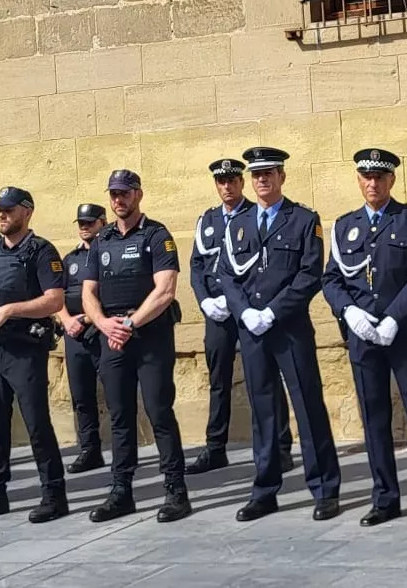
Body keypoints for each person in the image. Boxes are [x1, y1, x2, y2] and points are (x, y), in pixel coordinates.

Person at [322, 149, 407, 528]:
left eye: (379, 177)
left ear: (391, 180)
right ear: (359, 180)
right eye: (366, 177)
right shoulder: (344, 226)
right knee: (374, 416)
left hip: (402, 331)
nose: (373, 183)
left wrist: (394, 318)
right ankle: (385, 498)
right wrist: (349, 313)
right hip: (362, 334)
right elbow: (331, 279)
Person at [217, 147, 341, 522]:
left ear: (282, 177)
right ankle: (265, 490)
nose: (262, 180)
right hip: (252, 331)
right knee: (263, 411)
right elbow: (226, 274)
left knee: (308, 406)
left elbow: (310, 274)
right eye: (256, 175)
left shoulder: (303, 219)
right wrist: (245, 313)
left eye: (268, 173)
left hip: (289, 328)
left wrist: (272, 311)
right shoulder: (237, 223)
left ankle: (324, 489)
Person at [0, 187, 69, 524]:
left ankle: (54, 495)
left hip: (24, 350)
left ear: (27, 212)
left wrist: (11, 310)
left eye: (8, 209)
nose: (2, 215)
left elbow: (54, 300)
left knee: (36, 424)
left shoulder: (41, 251)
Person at [81, 170, 191, 523]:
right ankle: (121, 492)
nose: (118, 200)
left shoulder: (156, 235)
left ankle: (176, 491)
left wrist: (130, 324)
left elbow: (165, 290)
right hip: (112, 337)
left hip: (149, 337)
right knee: (120, 417)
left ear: (138, 195)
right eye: (113, 194)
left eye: (124, 193)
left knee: (159, 412)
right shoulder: (102, 239)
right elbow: (88, 292)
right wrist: (103, 323)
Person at [187, 158, 293, 475]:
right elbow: (196, 266)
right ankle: (215, 447)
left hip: (248, 309)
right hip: (218, 312)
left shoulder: (255, 215)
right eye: (221, 182)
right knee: (218, 380)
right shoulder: (207, 220)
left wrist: (240, 302)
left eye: (232, 180)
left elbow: (264, 267)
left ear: (241, 183)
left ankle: (280, 447)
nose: (227, 187)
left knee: (266, 378)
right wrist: (205, 301)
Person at [57, 203, 107, 474]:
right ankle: (89, 450)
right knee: (81, 395)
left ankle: (125, 450)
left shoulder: (109, 253)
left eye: (90, 222)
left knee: (115, 393)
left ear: (103, 222)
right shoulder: (70, 259)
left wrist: (87, 319)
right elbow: (56, 295)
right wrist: (66, 320)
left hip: (101, 330)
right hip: (74, 335)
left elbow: (111, 296)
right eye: (81, 223)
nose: (84, 227)